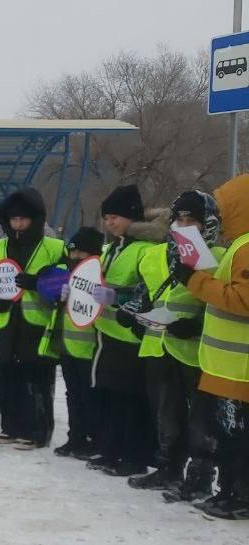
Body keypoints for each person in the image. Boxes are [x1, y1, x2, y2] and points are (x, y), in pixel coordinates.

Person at [124, 192, 224, 492]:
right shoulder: (158, 254)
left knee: (200, 420)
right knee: (167, 414)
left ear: (207, 223)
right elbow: (144, 293)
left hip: (196, 351)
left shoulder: (218, 258)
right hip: (158, 344)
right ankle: (168, 468)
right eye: (178, 219)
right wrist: (135, 314)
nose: (183, 225)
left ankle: (200, 477)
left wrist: (196, 325)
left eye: (190, 219)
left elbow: (223, 305)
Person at [166, 175, 249, 519]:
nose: (217, 211)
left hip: (237, 367)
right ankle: (230, 491)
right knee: (228, 436)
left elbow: (243, 300)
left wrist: (195, 280)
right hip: (223, 365)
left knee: (237, 439)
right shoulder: (239, 245)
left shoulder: (245, 247)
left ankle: (239, 496)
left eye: (223, 205)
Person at [0, 188, 66, 450]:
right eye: (13, 219)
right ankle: (11, 426)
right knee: (6, 375)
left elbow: (65, 282)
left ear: (36, 218)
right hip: (6, 322)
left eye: (23, 219)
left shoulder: (54, 247)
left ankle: (38, 431)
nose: (17, 224)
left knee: (37, 380)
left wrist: (37, 283)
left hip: (37, 323)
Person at [89, 184, 161, 476]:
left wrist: (117, 298)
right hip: (107, 335)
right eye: (106, 218)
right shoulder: (110, 248)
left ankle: (135, 456)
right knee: (110, 396)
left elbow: (149, 291)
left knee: (132, 399)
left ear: (132, 216)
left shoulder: (146, 250)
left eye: (115, 217)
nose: (109, 223)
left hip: (131, 338)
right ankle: (110, 449)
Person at [39, 227, 105, 460]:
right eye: (73, 252)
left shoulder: (97, 276)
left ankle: (91, 439)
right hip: (69, 344)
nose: (75, 257)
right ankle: (75, 436)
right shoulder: (68, 275)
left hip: (90, 348)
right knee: (73, 394)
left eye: (81, 253)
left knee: (89, 395)